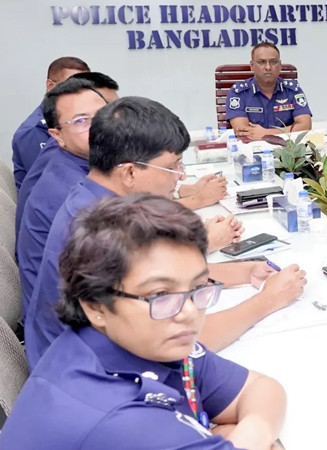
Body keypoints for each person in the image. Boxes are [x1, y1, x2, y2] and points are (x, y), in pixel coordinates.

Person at [24, 96, 307, 368]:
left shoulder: (95, 197)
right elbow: (184, 341)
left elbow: (163, 278)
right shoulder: (103, 232)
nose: (181, 176)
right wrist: (267, 301)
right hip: (95, 375)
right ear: (130, 172)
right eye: (172, 167)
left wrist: (246, 272)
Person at [1, 194, 286, 449]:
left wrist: (247, 434)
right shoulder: (117, 419)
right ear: (95, 304)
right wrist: (236, 436)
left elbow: (262, 389)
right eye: (160, 295)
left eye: (198, 288)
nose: (188, 311)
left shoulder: (138, 339)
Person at [17, 77, 110, 320]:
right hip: (67, 325)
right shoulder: (72, 190)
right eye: (81, 121)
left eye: (103, 115)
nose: (98, 127)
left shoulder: (78, 162)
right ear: (57, 135)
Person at [11, 56, 89, 190]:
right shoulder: (33, 131)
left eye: (86, 87)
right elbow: (50, 183)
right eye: (73, 86)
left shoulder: (74, 120)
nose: (81, 94)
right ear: (50, 86)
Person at [226, 42, 312, 139]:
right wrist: (282, 132)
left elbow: (305, 126)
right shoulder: (238, 93)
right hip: (252, 146)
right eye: (261, 62)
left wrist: (267, 134)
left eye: (273, 62)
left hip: (286, 146)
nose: (268, 67)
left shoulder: (292, 90)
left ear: (280, 65)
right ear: (252, 66)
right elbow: (243, 131)